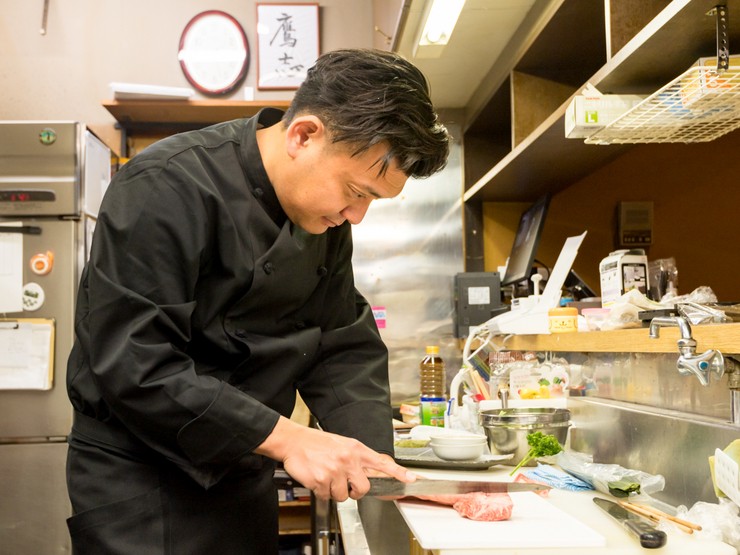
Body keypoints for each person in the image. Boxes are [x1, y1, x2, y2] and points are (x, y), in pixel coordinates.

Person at [65, 48, 450, 554]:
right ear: (303, 135)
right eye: (356, 191)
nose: (357, 216)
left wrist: (377, 468)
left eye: (372, 200)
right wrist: (292, 439)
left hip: (242, 472)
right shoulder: (165, 185)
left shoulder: (323, 217)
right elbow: (134, 363)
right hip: (141, 481)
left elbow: (338, 340)